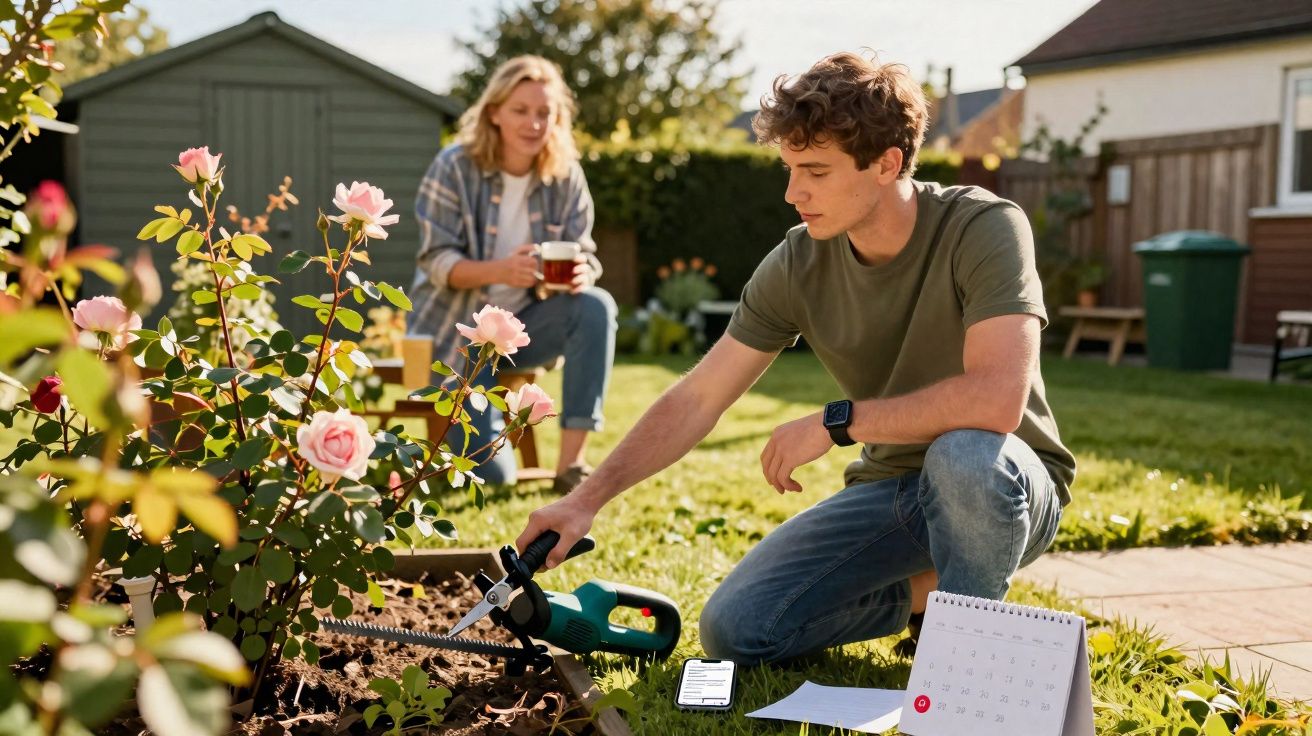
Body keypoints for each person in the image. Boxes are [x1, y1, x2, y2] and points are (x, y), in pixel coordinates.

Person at [515, 52, 1076, 665]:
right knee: (737, 630)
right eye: (788, 168)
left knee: (962, 455)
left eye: (815, 170)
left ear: (887, 163)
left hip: (1003, 484)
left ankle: (964, 658)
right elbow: (700, 395)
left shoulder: (984, 226)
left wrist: (836, 421)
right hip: (895, 489)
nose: (792, 193)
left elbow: (995, 401)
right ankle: (930, 597)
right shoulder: (797, 262)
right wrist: (584, 499)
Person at [408, 55, 617, 493]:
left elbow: (588, 255)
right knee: (491, 476)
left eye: (545, 112)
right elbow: (436, 260)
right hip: (456, 339)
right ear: (495, 112)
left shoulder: (566, 177)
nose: (533, 123)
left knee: (596, 305)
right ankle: (484, 427)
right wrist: (500, 270)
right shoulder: (454, 167)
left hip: (523, 333)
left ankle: (571, 465)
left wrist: (581, 273)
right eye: (521, 110)